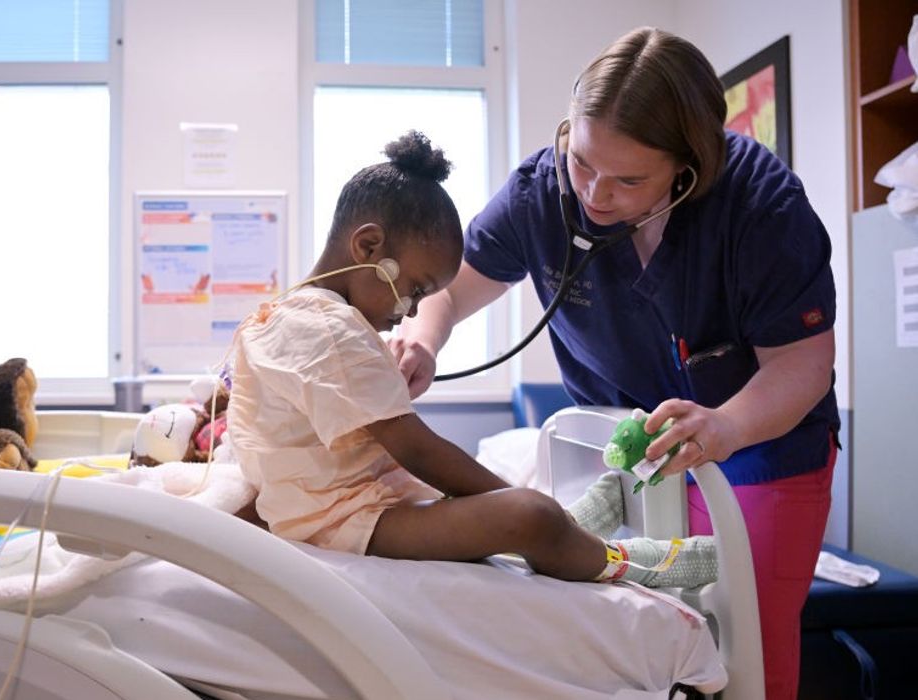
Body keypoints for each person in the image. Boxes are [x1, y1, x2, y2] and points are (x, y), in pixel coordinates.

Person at [392, 28, 837, 700]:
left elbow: (802, 364)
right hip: (624, 447)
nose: (595, 194)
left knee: (746, 642)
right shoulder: (540, 195)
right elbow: (450, 291)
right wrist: (423, 341)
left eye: (629, 178)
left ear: (689, 166)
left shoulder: (759, 207)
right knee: (622, 630)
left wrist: (723, 426)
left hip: (758, 446)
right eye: (581, 162)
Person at [226, 130, 718, 591]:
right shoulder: (329, 331)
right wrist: (523, 500)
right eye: (415, 290)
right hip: (344, 525)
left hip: (348, 508)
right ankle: (625, 559)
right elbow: (418, 450)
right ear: (369, 246)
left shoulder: (290, 315)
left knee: (504, 511)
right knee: (530, 516)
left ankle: (574, 529)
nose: (414, 311)